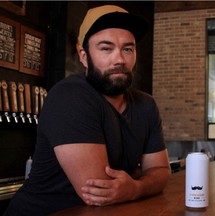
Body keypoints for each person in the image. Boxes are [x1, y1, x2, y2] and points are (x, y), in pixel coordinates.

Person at [4, 5, 171, 215]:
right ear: (83, 55)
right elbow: (98, 192)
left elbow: (162, 172)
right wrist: (141, 176)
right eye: (106, 48)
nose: (119, 59)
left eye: (128, 49)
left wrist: (135, 187)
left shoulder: (146, 105)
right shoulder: (70, 96)